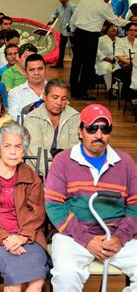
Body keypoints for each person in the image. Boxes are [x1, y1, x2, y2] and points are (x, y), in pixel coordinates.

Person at [45, 104, 137, 291]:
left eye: (105, 129)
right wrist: (86, 239)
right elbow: (54, 206)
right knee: (65, 274)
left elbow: (135, 206)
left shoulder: (125, 162)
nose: (98, 134)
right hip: (73, 235)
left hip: (116, 237)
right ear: (80, 132)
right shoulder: (63, 161)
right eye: (92, 128)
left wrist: (119, 237)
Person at [0, 121, 49, 292]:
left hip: (27, 235)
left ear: (23, 151)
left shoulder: (31, 176)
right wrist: (4, 237)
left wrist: (22, 237)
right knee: (14, 281)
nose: (13, 152)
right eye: (7, 146)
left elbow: (37, 213)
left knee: (37, 281)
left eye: (18, 147)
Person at [69, 0, 128, 100]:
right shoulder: (104, 6)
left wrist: (72, 28)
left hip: (79, 33)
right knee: (88, 65)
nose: (109, 0)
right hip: (91, 36)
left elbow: (75, 13)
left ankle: (73, 90)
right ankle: (82, 92)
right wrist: (129, 22)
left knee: (76, 63)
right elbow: (115, 20)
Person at [23, 79, 80, 169]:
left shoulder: (74, 117)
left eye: (64, 99)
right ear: (44, 96)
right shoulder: (32, 118)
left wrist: (67, 172)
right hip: (37, 171)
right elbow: (35, 150)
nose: (59, 103)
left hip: (68, 170)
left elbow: (75, 147)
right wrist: (54, 173)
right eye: (55, 98)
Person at [8, 54, 47, 122]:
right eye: (32, 70)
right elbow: (14, 118)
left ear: (45, 70)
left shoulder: (56, 90)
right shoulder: (15, 93)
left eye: (40, 68)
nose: (36, 73)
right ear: (25, 73)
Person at [48, 0, 77, 68]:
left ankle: (76, 64)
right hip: (63, 30)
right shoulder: (60, 6)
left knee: (74, 47)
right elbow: (54, 13)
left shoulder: (72, 7)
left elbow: (77, 17)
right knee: (61, 47)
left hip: (72, 31)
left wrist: (73, 27)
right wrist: (52, 19)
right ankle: (60, 63)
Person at [95, 23, 119, 93]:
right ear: (107, 29)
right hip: (103, 61)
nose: (114, 29)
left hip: (118, 61)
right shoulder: (101, 39)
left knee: (120, 70)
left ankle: (116, 88)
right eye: (111, 27)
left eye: (116, 27)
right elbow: (97, 51)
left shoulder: (120, 40)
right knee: (107, 68)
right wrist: (106, 58)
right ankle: (109, 89)